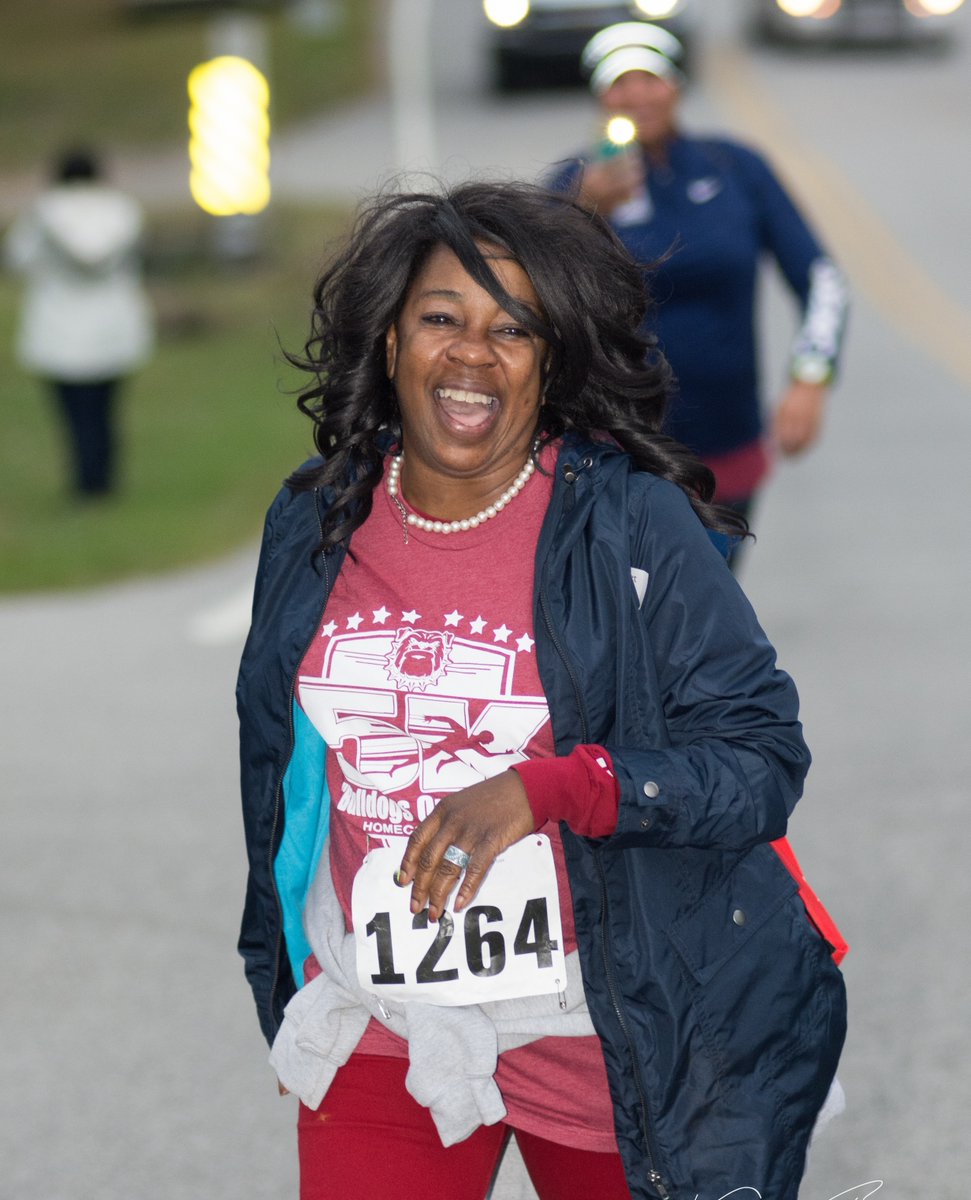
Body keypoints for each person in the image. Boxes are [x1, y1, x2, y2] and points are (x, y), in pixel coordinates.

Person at [235, 180, 847, 1200]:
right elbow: (276, 769)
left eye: (511, 330)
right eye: (441, 319)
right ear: (390, 342)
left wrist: (547, 789)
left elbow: (757, 760)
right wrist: (284, 955)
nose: (471, 354)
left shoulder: (631, 524)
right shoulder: (314, 519)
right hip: (387, 1016)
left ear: (548, 361)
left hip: (603, 1023)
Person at [546, 22, 849, 565]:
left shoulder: (736, 168)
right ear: (599, 95)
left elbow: (822, 279)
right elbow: (529, 300)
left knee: (709, 618)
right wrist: (581, 211)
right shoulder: (568, 185)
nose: (636, 94)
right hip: (612, 449)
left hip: (725, 445)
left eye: (651, 77)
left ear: (677, 86)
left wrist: (810, 377)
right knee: (627, 621)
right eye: (619, 82)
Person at [2, 147, 154, 498]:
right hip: (114, 328)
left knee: (74, 415)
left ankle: (84, 482)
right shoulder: (122, 210)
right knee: (106, 411)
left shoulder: (43, 212)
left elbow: (16, 259)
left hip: (57, 330)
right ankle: (104, 478)